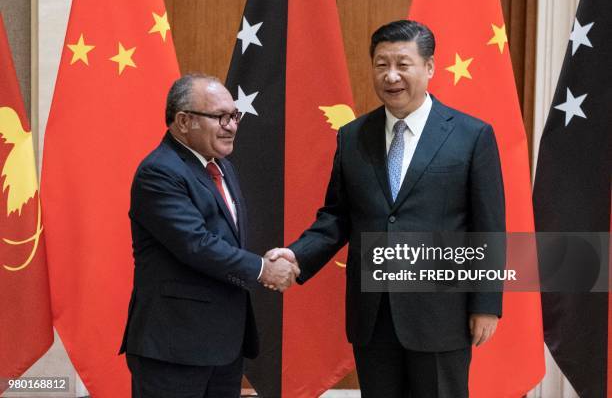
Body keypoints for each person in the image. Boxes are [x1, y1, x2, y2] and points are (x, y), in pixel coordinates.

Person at [269, 20, 505, 397]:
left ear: (429, 67)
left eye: (402, 64)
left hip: (440, 315)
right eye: (381, 65)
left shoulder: (471, 135)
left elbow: (489, 227)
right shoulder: (352, 136)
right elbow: (336, 217)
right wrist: (296, 256)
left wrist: (487, 304)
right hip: (373, 317)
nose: (391, 76)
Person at [119, 74, 299, 398]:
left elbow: (226, 241)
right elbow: (196, 244)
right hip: (174, 347)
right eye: (220, 117)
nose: (231, 125)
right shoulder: (159, 172)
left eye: (234, 116)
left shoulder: (222, 167)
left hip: (224, 346)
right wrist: (262, 268)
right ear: (184, 121)